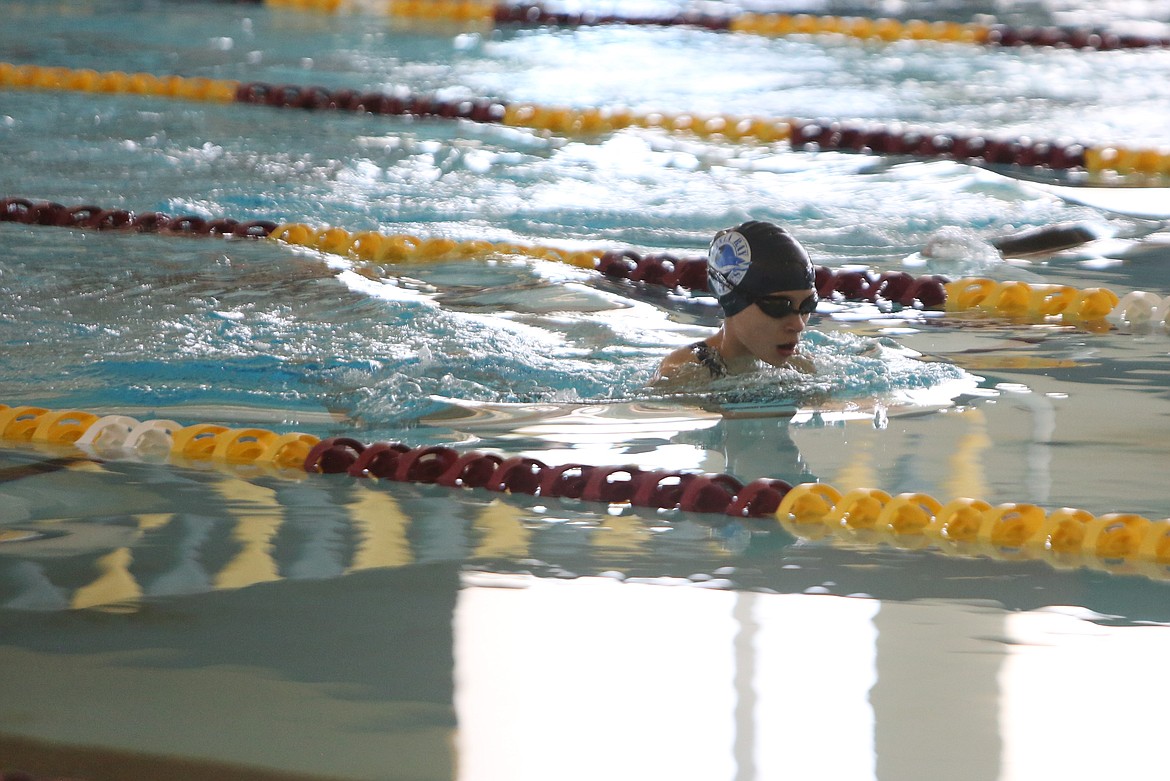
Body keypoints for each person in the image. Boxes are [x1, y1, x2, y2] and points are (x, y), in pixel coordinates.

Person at [652, 220, 818, 385]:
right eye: (778, 307)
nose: (798, 325)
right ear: (734, 301)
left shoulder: (800, 366)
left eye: (807, 305)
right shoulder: (682, 374)